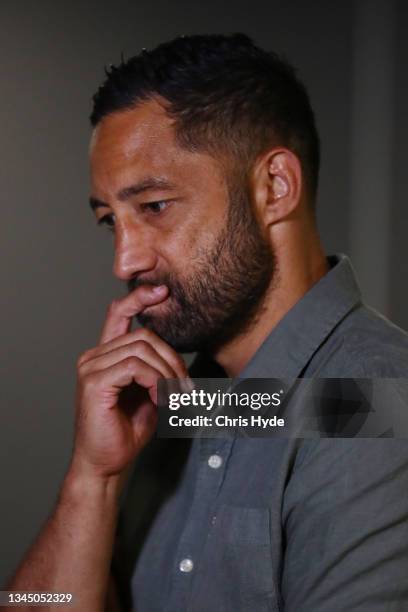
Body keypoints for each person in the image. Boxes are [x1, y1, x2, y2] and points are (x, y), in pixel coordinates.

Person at [7, 33, 408, 611]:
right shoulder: (174, 404)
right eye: (109, 221)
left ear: (274, 187)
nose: (124, 259)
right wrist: (91, 478)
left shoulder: (381, 399)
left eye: (154, 207)